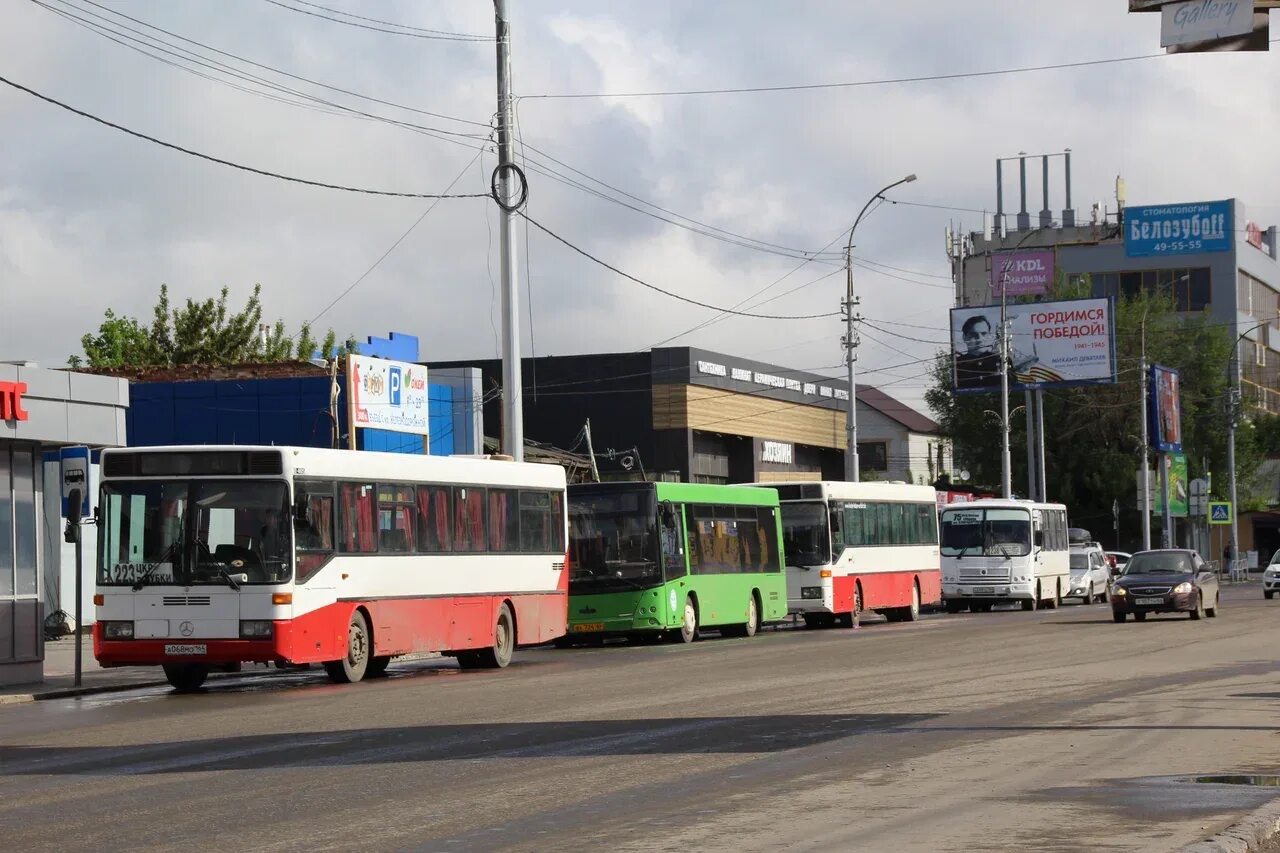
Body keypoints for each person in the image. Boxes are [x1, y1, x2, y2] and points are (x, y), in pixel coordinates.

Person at [955, 314, 1003, 390]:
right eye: (974, 335)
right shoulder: (957, 365)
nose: (980, 339)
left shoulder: (1001, 361)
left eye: (984, 334)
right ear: (964, 337)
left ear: (989, 336)